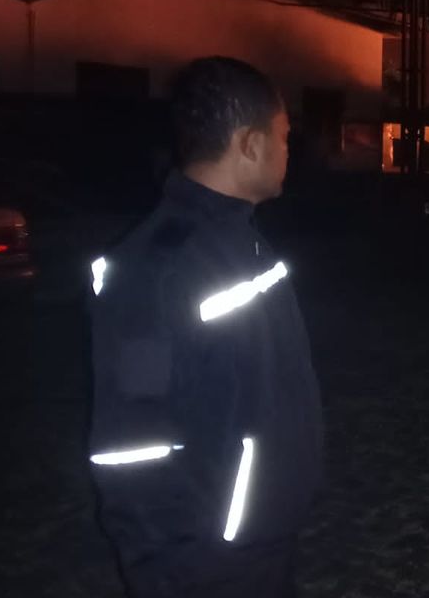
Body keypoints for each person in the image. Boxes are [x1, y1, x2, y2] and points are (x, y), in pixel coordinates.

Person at [88, 57, 323, 598]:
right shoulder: (155, 269)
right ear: (250, 144)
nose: (291, 151)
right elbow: (130, 446)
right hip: (207, 566)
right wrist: (168, 570)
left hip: (261, 540)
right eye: (284, 137)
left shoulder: (244, 240)